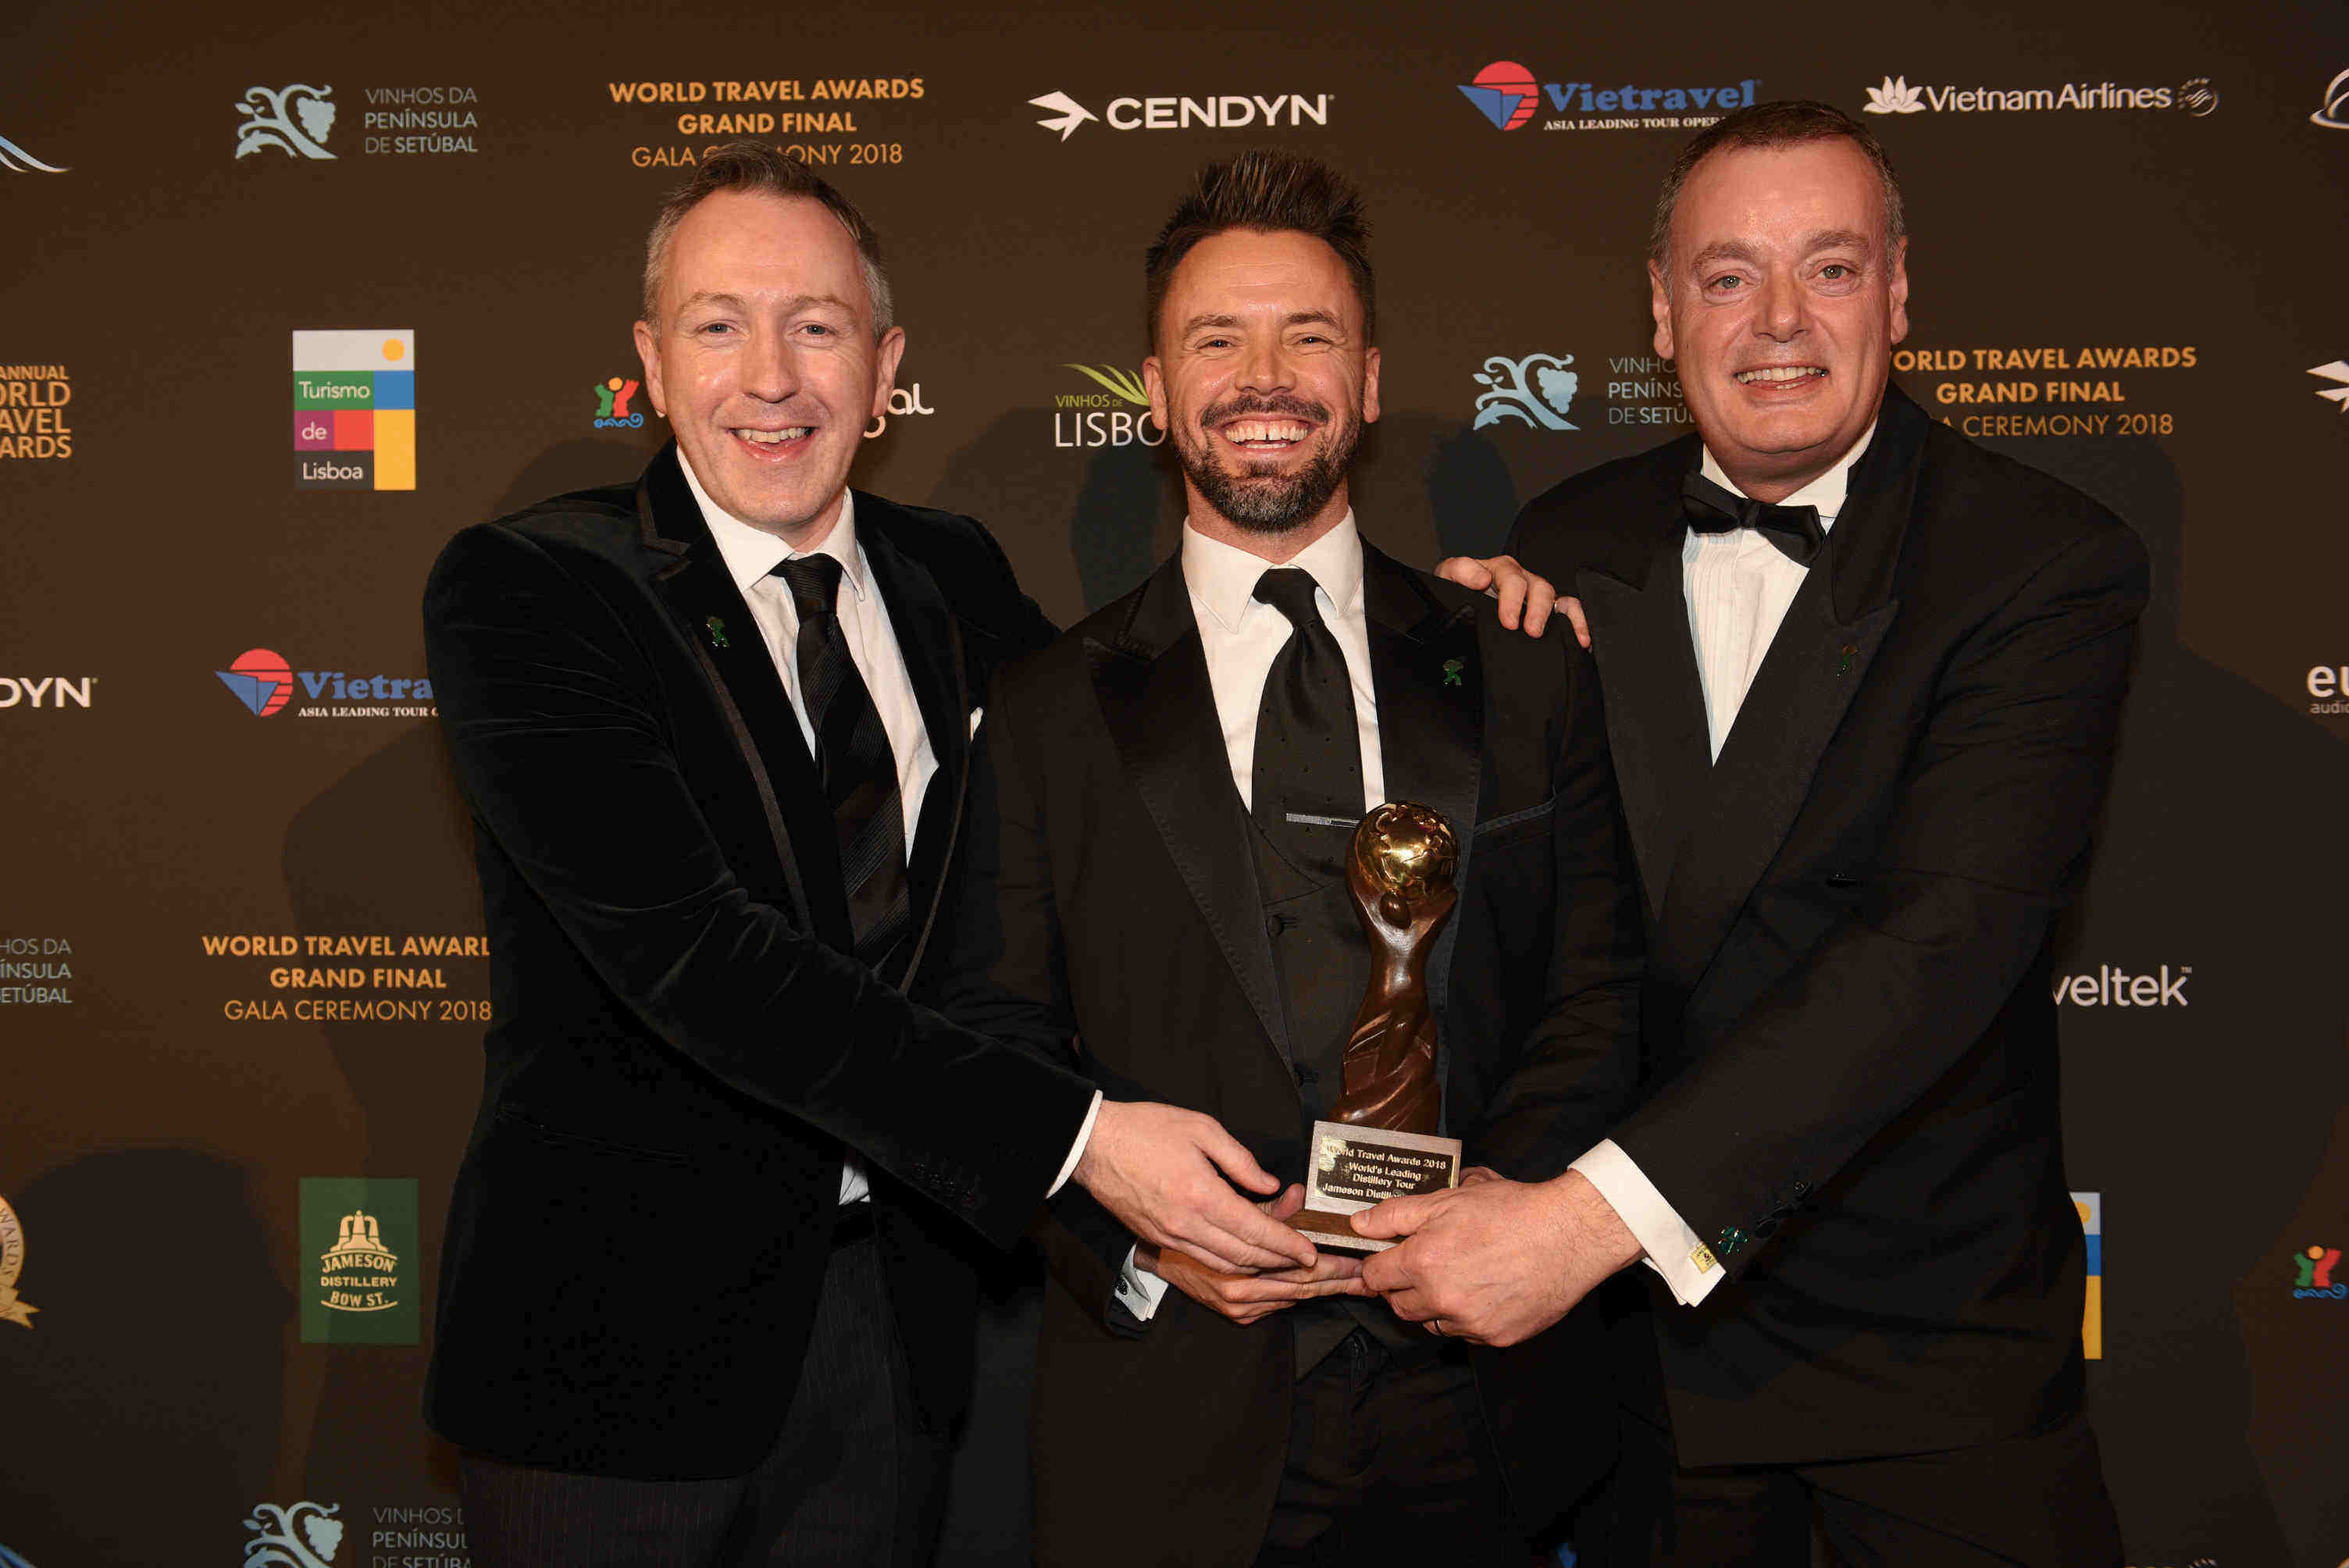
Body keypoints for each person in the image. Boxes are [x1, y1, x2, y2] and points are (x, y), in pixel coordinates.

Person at [420, 141, 1547, 1567]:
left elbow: (1128, 778)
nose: (772, 376)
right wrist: (1076, 1139)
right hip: (617, 1366)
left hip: (906, 1341)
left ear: (886, 365)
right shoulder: (532, 593)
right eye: (721, 324)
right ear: (649, 359)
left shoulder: (952, 578)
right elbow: (695, 958)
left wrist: (1436, 624)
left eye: (816, 326)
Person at [1355, 102, 2144, 1566]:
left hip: (1920, 1377)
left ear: (1900, 292)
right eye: (1728, 277)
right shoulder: (1565, 547)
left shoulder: (2041, 560)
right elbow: (1528, 936)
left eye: (1829, 270)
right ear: (1662, 310)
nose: (1778, 321)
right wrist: (1437, 691)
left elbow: (1936, 957)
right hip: (1641, 1393)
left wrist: (1582, 1224)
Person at [933, 149, 1643, 1568]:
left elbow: (1598, 993)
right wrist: (1132, 1244)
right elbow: (989, 1034)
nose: (1267, 376)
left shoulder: (1521, 669)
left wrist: (1498, 1216)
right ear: (1153, 389)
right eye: (1219, 339)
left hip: (1487, 1415)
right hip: (1174, 1413)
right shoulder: (1047, 706)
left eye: (1308, 337)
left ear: (1370, 381)